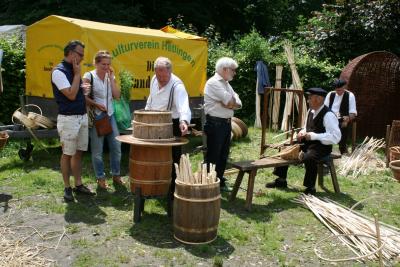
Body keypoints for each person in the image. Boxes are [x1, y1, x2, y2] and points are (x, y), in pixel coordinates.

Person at [266, 87, 341, 195]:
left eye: (310, 98)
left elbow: (336, 137)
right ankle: (281, 180)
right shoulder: (311, 110)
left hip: (322, 147)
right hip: (308, 142)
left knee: (309, 157)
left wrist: (314, 136)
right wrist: (302, 132)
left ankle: (310, 187)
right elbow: (307, 127)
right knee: (286, 149)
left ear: (318, 99)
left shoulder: (328, 115)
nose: (307, 100)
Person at [51, 40, 95, 202]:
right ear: (70, 53)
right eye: (80, 54)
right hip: (68, 119)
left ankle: (78, 184)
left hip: (81, 116)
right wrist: (77, 75)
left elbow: (77, 94)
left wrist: (85, 92)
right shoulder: (58, 71)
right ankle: (67, 187)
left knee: (79, 152)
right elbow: (69, 94)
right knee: (67, 154)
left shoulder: (74, 69)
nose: (82, 58)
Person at [145, 56, 191, 195]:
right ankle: (157, 184)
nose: (161, 79)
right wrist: (146, 114)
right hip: (154, 122)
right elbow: (151, 98)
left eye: (164, 77)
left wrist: (184, 121)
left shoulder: (177, 86)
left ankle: (173, 190)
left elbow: (184, 105)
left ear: (170, 72)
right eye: (158, 75)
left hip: (172, 124)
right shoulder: (154, 79)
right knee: (155, 155)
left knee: (172, 158)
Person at [83, 50, 122, 190]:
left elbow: (117, 96)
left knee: (116, 148)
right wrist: (96, 104)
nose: (106, 67)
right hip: (97, 116)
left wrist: (111, 79)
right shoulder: (89, 76)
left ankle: (116, 175)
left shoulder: (110, 76)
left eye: (108, 64)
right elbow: (84, 97)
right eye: (103, 64)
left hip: (110, 116)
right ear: (96, 63)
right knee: (97, 150)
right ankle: (100, 177)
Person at [204, 57, 242, 192]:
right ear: (225, 69)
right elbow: (230, 101)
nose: (234, 73)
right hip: (215, 123)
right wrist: (230, 103)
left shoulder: (226, 83)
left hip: (225, 124)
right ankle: (208, 183)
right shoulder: (213, 83)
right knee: (213, 155)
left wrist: (230, 104)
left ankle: (218, 181)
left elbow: (238, 102)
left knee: (223, 155)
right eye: (233, 70)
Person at [324, 78, 357, 155]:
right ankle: (326, 153)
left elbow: (353, 113)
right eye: (337, 90)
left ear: (344, 87)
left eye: (340, 90)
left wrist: (347, 119)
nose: (338, 92)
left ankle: (343, 152)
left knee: (343, 138)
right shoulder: (330, 94)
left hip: (342, 120)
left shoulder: (350, 95)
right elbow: (324, 109)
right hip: (330, 119)